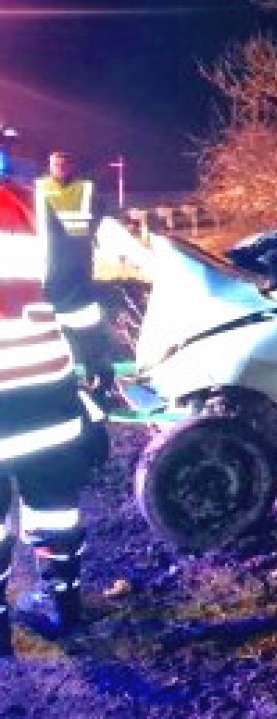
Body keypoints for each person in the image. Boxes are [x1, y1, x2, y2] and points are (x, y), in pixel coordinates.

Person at [0, 173, 108, 655]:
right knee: (56, 504)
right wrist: (97, 361)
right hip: (43, 389)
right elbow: (73, 296)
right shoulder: (29, 204)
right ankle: (63, 604)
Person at [34, 150, 117, 401]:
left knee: (88, 332)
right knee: (54, 339)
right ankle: (63, 385)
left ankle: (100, 381)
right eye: (55, 163)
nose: (59, 167)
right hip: (49, 274)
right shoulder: (38, 189)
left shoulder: (86, 190)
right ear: (49, 165)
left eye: (64, 163)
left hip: (78, 275)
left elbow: (101, 220)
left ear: (72, 165)